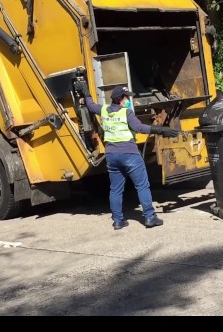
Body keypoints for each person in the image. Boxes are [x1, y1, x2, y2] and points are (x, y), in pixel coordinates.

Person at [75, 82, 179, 230]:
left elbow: (91, 106)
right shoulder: (126, 113)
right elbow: (139, 128)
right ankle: (149, 217)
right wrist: (162, 130)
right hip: (129, 154)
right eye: (126, 97)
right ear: (120, 99)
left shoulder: (104, 110)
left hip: (112, 156)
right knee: (142, 186)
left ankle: (118, 221)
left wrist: (86, 92)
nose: (128, 100)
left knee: (115, 190)